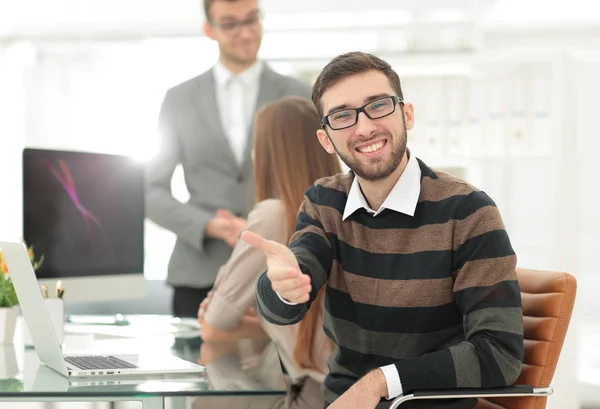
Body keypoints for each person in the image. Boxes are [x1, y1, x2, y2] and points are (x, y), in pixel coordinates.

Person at [242, 52, 525, 409]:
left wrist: (382, 382)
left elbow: (501, 354)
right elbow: (288, 294)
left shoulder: (468, 211)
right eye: (342, 116)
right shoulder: (324, 202)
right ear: (327, 139)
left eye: (377, 106)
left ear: (407, 114)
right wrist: (283, 289)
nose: (364, 128)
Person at [145, 0, 311, 317]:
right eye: (231, 24)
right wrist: (211, 226)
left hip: (278, 271)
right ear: (210, 30)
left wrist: (271, 225)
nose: (246, 33)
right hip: (198, 270)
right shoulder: (179, 99)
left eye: (252, 20)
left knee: (278, 367)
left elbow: (316, 181)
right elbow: (149, 191)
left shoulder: (298, 94)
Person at [197, 96, 342, 409]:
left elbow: (215, 322)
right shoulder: (344, 209)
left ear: (269, 154)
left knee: (201, 401)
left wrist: (244, 244)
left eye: (255, 144)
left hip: (312, 397)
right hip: (339, 391)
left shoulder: (273, 215)